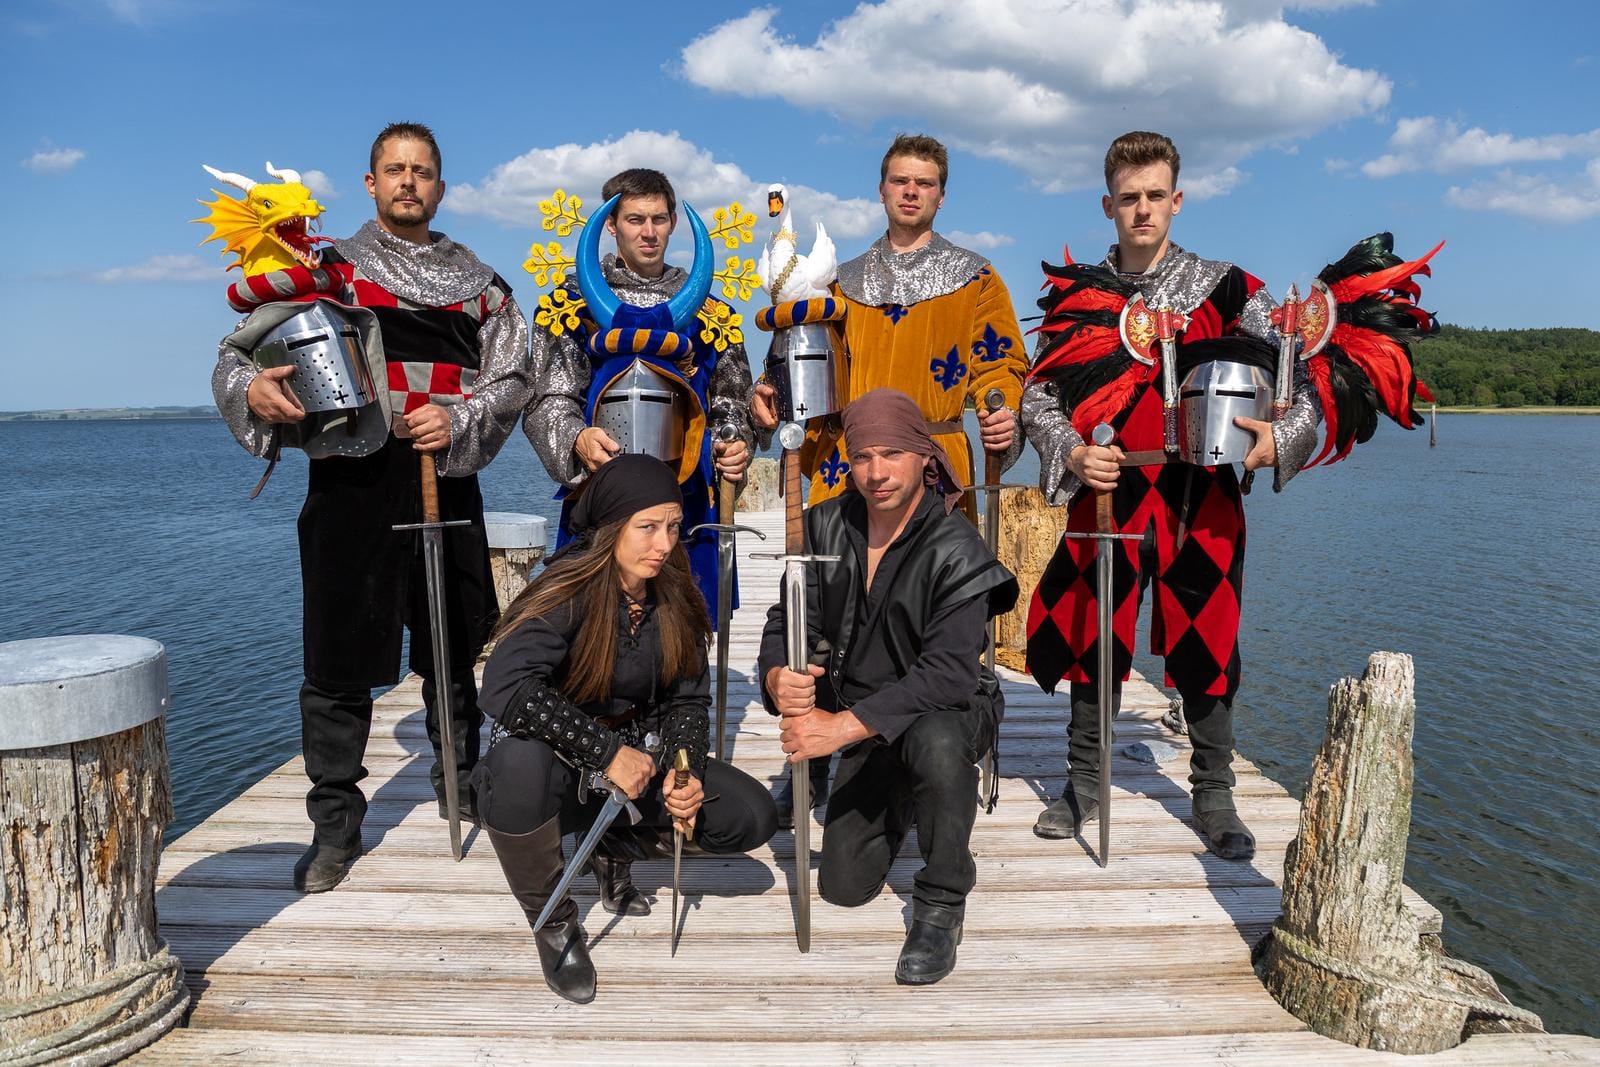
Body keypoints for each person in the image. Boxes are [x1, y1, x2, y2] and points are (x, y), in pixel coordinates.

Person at [213, 122, 531, 892]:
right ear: (371, 182)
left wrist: (456, 419)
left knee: (453, 647)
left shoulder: (482, 284)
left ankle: (463, 786)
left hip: (444, 475)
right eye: (395, 170)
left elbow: (513, 374)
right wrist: (254, 389)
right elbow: (237, 353)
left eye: (422, 171)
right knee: (338, 656)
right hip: (350, 482)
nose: (409, 183)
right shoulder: (323, 272)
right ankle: (334, 826)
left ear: (441, 187)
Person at [1020, 131, 1320, 861]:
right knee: (1095, 632)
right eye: (1129, 198)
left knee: (1209, 639)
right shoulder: (1081, 298)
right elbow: (1039, 395)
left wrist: (1281, 439)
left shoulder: (1228, 288)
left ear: (1177, 200)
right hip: (1110, 493)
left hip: (1201, 492)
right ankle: (1084, 784)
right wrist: (1072, 450)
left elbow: (1297, 381)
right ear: (1108, 205)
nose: (1143, 209)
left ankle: (1214, 793)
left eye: (1156, 195)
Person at [753, 133, 1029, 824]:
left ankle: (924, 751)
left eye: (925, 182)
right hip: (847, 464)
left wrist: (1001, 410)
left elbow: (1001, 365)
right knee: (825, 613)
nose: (911, 191)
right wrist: (771, 392)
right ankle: (812, 759)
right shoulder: (839, 282)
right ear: (881, 190)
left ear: (940, 193)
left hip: (935, 466)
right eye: (900, 180)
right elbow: (797, 358)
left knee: (925, 616)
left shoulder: (975, 277)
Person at [475, 453, 778, 1004]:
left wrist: (684, 770)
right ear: (613, 527)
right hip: (557, 770)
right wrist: (605, 752)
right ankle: (555, 922)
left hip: (642, 761)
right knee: (514, 770)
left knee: (750, 816)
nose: (663, 544)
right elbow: (503, 687)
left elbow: (690, 698)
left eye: (671, 528)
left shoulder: (675, 593)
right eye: (647, 527)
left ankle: (612, 845)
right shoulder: (566, 592)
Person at [758, 388, 1017, 985]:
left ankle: (943, 899)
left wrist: (836, 731)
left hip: (941, 709)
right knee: (843, 886)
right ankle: (900, 791)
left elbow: (948, 675)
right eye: (862, 456)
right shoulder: (824, 524)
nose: (876, 473)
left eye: (892, 454)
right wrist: (778, 674)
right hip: (867, 720)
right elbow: (787, 621)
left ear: (924, 456)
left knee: (939, 743)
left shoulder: (956, 548)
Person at [523, 168, 758, 614]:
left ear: (673, 221)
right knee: (596, 626)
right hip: (601, 487)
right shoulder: (568, 307)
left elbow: (730, 399)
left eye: (659, 219)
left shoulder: (713, 312)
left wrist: (733, 440)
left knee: (682, 626)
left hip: (687, 494)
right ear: (610, 224)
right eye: (634, 219)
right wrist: (576, 437)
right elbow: (550, 396)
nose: (648, 232)